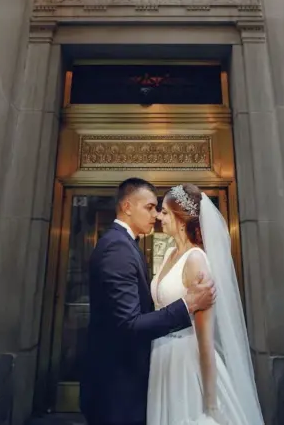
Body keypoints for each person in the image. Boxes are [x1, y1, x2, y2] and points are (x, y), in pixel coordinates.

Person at [81, 178, 217, 425]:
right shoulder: (118, 249)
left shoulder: (130, 246)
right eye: (151, 207)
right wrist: (187, 304)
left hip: (174, 365)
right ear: (127, 207)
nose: (155, 216)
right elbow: (128, 324)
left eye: (161, 210)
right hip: (117, 383)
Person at [148, 183, 264, 425]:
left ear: (181, 220)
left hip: (185, 363)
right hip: (162, 356)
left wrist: (210, 401)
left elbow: (206, 339)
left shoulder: (196, 261)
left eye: (165, 212)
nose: (159, 216)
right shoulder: (170, 253)